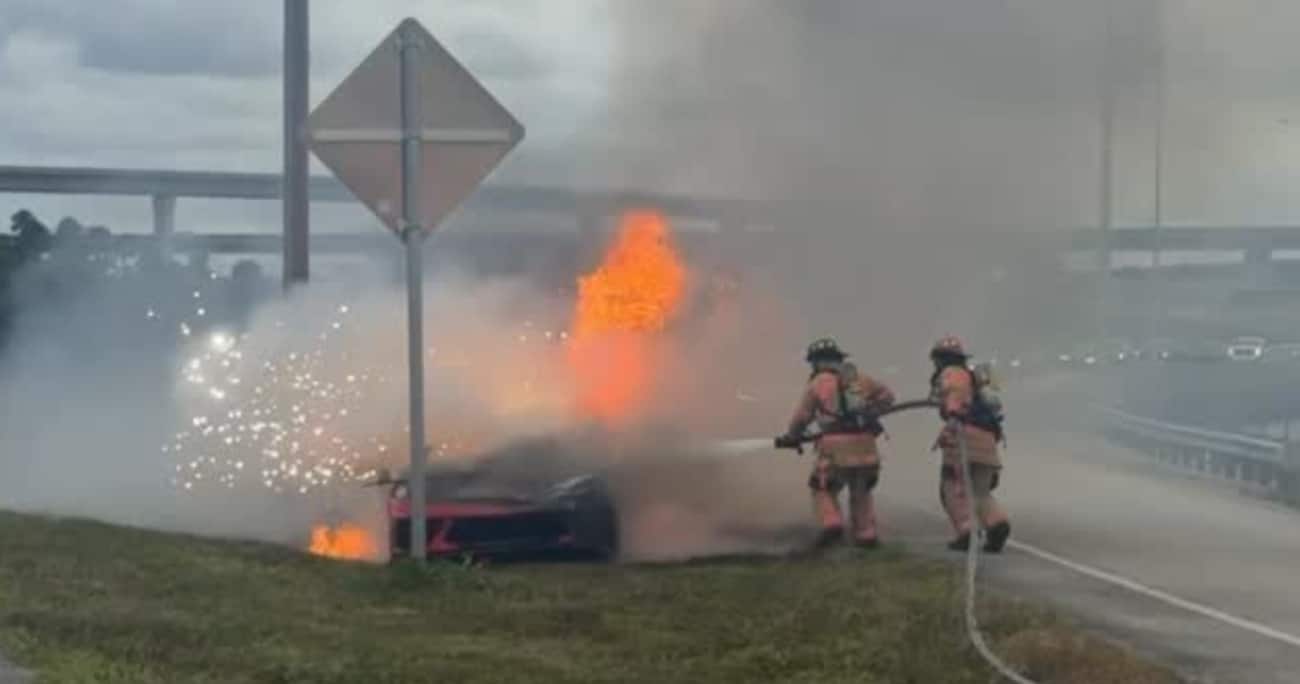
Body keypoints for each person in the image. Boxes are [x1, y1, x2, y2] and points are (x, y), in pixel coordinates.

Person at [778, 338, 895, 549]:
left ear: (818, 362)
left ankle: (832, 524)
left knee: (822, 487)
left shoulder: (818, 383)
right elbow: (888, 397)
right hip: (866, 446)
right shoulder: (861, 379)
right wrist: (872, 411)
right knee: (861, 491)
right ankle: (866, 536)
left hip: (835, 448)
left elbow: (802, 416)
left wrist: (792, 435)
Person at [929, 335, 1011, 553]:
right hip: (987, 439)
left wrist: (952, 417)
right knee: (980, 490)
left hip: (962, 436)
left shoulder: (952, 374)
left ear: (940, 359)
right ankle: (997, 524)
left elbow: (954, 398)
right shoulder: (974, 378)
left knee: (952, 487)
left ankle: (966, 532)